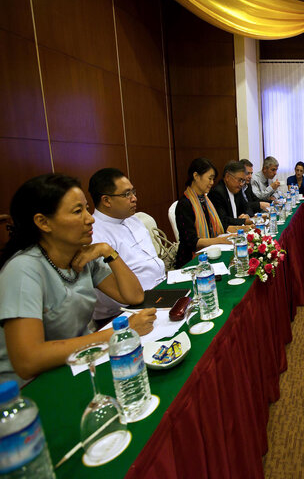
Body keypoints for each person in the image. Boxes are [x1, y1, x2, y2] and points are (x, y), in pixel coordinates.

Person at [0, 174, 155, 384]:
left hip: (77, 364)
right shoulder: (23, 269)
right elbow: (28, 360)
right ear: (43, 222)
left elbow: (134, 296)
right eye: (77, 211)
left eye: (86, 208)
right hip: (31, 388)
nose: (90, 218)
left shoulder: (82, 256)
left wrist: (108, 251)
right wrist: (117, 334)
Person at [89, 168, 166, 323]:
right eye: (126, 194)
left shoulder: (133, 219)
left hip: (162, 291)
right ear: (106, 200)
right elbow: (115, 298)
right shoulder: (94, 235)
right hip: (125, 313)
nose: (134, 198)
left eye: (133, 192)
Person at [175, 158, 236, 268]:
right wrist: (219, 241)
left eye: (213, 179)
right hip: (190, 262)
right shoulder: (185, 204)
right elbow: (192, 242)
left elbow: (217, 226)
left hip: (210, 254)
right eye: (209, 178)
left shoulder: (205, 200)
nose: (212, 183)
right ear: (196, 176)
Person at [208, 161, 253, 228]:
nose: (241, 184)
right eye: (239, 180)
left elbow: (248, 208)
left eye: (243, 181)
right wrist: (244, 221)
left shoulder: (237, 189)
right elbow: (223, 220)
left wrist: (247, 215)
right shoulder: (217, 193)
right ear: (227, 177)